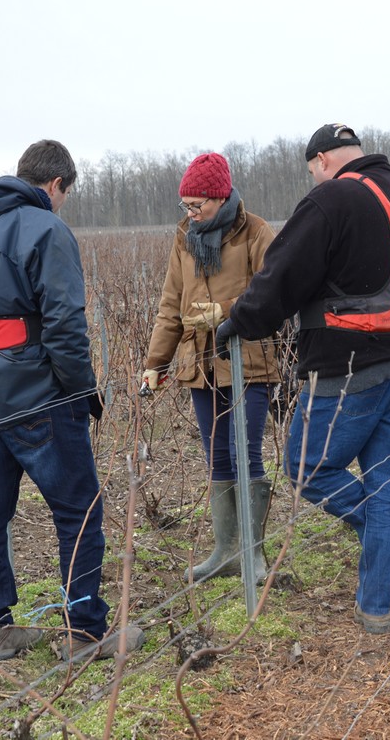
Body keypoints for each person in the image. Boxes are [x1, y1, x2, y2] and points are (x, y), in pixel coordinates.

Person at [215, 124, 390, 634]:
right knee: (385, 484)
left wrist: (240, 321)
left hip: (349, 365)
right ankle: (375, 609)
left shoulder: (331, 200)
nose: (314, 178)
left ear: (321, 160)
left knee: (306, 466)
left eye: (311, 169)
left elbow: (281, 276)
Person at [0, 140, 143, 663]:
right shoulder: (48, 229)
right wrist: (82, 392)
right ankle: (85, 634)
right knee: (79, 510)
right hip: (39, 400)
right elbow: (65, 326)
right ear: (55, 186)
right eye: (65, 195)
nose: (62, 203)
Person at [142, 153, 279, 582]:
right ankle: (225, 551)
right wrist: (155, 362)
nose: (190, 212)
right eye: (185, 205)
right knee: (217, 456)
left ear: (220, 197)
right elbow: (170, 305)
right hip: (197, 364)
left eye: (197, 204)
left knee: (246, 453)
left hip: (248, 360)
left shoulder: (255, 232)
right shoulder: (185, 236)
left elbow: (273, 294)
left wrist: (223, 312)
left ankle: (253, 555)